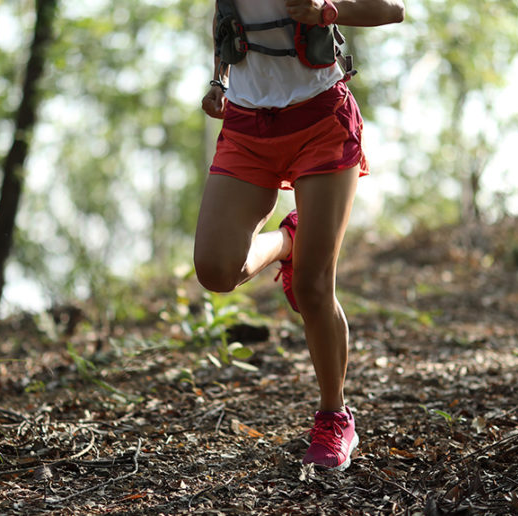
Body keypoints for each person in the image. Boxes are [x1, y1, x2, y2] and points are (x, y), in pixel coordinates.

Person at [194, 0, 404, 471]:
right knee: (216, 270)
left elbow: (393, 9)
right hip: (247, 126)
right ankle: (288, 242)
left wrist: (327, 10)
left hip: (321, 119)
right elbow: (223, 16)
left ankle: (334, 416)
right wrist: (218, 80)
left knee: (313, 287)